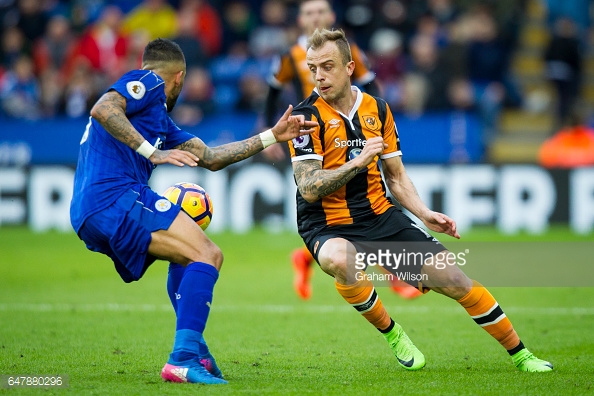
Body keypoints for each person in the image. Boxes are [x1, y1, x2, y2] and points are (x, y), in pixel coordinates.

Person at [287, 28, 553, 373]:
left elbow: (395, 176)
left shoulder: (378, 110)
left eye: (327, 66)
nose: (319, 76)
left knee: (456, 281)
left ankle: (522, 355)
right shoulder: (306, 117)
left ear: (350, 66)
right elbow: (308, 187)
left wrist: (425, 214)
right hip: (325, 223)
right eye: (313, 68)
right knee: (341, 260)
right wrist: (357, 162)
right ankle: (394, 334)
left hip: (379, 216)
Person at [69, 38, 316, 385]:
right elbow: (103, 109)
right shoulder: (150, 82)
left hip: (94, 209)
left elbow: (211, 158)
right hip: (114, 197)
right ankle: (182, 359)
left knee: (188, 256)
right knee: (208, 253)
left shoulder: (160, 123)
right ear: (179, 77)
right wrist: (150, 153)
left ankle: (196, 350)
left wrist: (272, 136)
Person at [264, 0, 418, 300]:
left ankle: (310, 258)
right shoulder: (289, 56)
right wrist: (272, 135)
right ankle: (395, 274)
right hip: (309, 136)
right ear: (300, 19)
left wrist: (374, 123)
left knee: (367, 200)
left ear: (332, 17)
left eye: (321, 12)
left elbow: (370, 88)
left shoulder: (351, 53)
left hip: (350, 134)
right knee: (334, 205)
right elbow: (272, 93)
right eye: (309, 13)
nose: (315, 17)